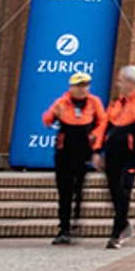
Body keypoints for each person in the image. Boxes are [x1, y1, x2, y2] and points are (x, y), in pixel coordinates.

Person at [95, 65, 135, 249]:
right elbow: (104, 126)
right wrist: (98, 150)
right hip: (113, 153)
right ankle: (124, 223)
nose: (117, 84)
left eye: (121, 80)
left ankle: (117, 232)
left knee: (124, 189)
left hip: (131, 154)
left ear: (131, 82)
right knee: (113, 189)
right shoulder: (116, 102)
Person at [41, 72, 106, 245]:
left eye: (85, 85)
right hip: (65, 150)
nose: (82, 89)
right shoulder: (62, 102)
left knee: (79, 187)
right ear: (71, 87)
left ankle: (76, 216)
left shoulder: (94, 102)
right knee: (64, 190)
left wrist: (95, 137)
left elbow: (102, 122)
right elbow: (47, 120)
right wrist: (53, 113)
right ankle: (64, 228)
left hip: (84, 150)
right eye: (79, 85)